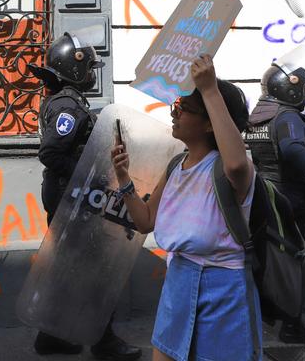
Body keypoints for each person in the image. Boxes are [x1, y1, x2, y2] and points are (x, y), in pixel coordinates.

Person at [111, 55, 262, 361]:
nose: (175, 113)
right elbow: (145, 221)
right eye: (175, 107)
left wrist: (209, 90)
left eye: (184, 109)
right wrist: (124, 178)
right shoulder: (176, 166)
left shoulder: (231, 169)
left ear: (209, 123)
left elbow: (235, 162)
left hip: (224, 288)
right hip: (178, 280)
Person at [29, 32, 141, 360]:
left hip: (67, 194)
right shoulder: (68, 106)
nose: (93, 73)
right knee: (96, 271)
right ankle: (104, 343)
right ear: (74, 68)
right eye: (89, 67)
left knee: (66, 268)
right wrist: (83, 172)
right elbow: (51, 152)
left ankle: (50, 337)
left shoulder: (66, 100)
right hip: (71, 197)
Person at [244, 60, 305, 343]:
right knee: (298, 260)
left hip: (265, 195)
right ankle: (291, 324)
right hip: (291, 198)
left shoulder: (259, 117)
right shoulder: (286, 117)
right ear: (289, 90)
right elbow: (291, 149)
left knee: (270, 259)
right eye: (304, 89)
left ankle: (269, 316)